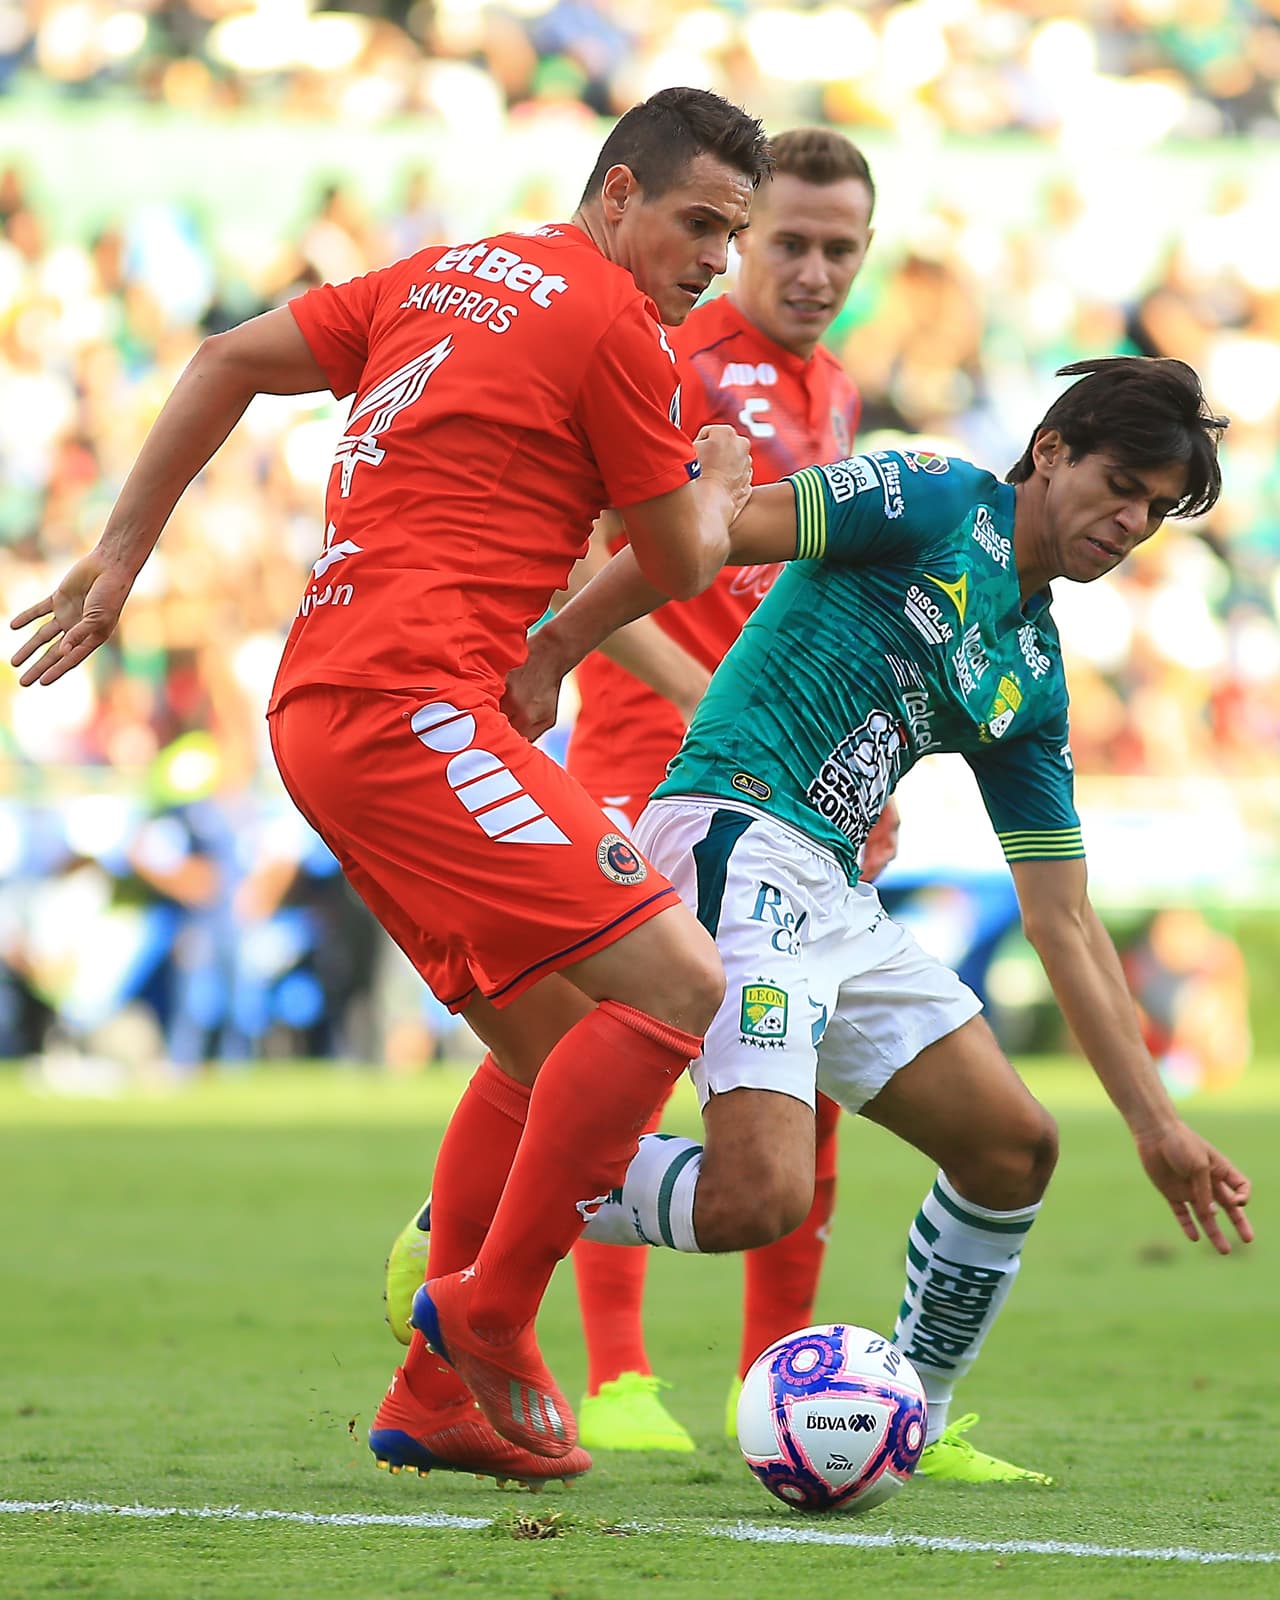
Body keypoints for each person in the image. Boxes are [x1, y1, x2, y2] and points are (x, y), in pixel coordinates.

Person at [9, 86, 772, 1488]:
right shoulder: (613, 324)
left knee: (550, 1052)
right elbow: (679, 560)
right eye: (698, 223)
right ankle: (486, 1308)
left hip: (332, 706)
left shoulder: (448, 272)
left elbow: (231, 356)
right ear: (616, 197)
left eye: (734, 233)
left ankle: (433, 1392)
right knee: (677, 986)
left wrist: (122, 556)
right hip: (406, 707)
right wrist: (716, 479)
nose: (716, 257)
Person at [506, 356, 1254, 1484]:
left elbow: (1064, 920)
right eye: (1120, 484)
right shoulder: (928, 494)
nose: (1130, 520)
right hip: (735, 833)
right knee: (757, 1196)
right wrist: (557, 644)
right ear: (1048, 450)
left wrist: (1155, 1125)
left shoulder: (1031, 671)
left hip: (833, 893)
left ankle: (915, 1415)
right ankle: (478, 1213)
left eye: (1153, 508)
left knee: (1012, 1149)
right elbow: (704, 538)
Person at [380, 126, 889, 1454]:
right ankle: (599, 1364)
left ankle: (776, 1387)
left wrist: (856, 761)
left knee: (793, 1068)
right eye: (787, 241)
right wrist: (709, 708)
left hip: (788, 785)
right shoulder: (669, 352)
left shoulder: (828, 387)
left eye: (842, 248)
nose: (812, 270)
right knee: (625, 1043)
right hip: (655, 768)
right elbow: (586, 575)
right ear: (734, 233)